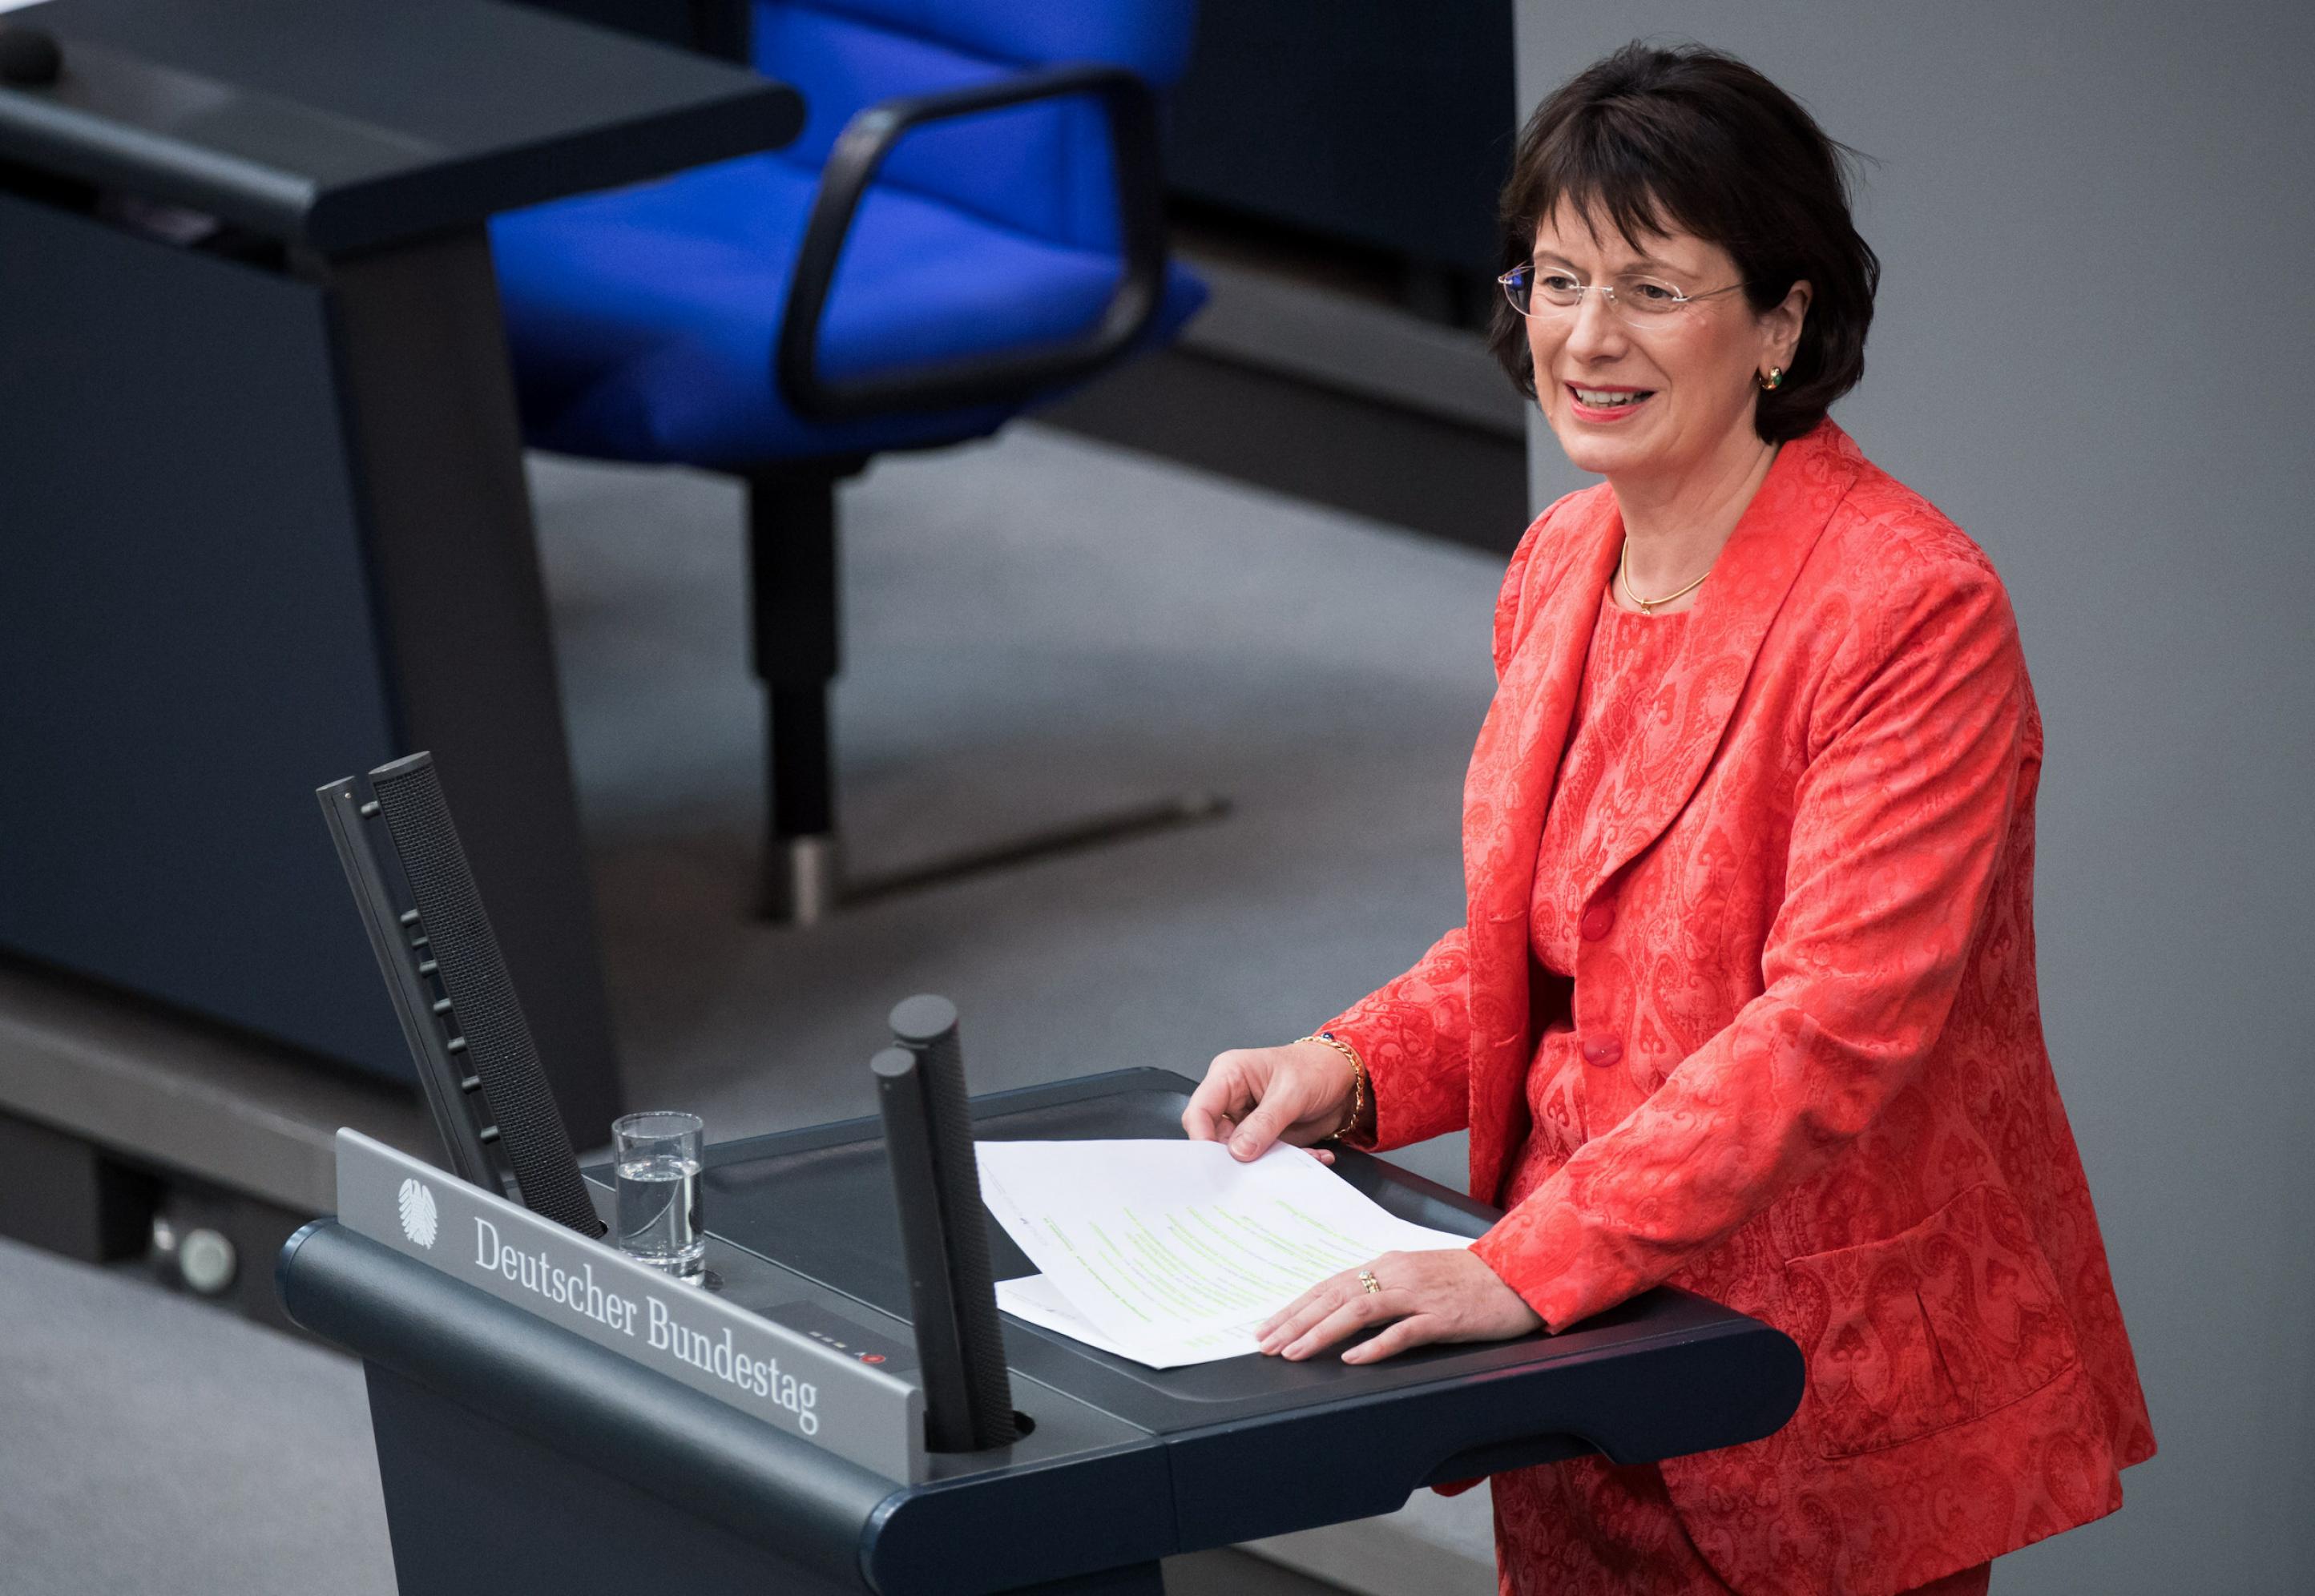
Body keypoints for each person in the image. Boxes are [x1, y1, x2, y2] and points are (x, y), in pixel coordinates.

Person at [1182, 42, 2156, 1596]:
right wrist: (1350, 1065)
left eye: (1648, 287)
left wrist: (1520, 1266)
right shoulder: (1560, 558)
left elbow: (1834, 1026)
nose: (1583, 335)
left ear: (1780, 320)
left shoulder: (1909, 610)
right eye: (1552, 280)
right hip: (1571, 1362)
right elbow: (1550, 944)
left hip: (1795, 1377)